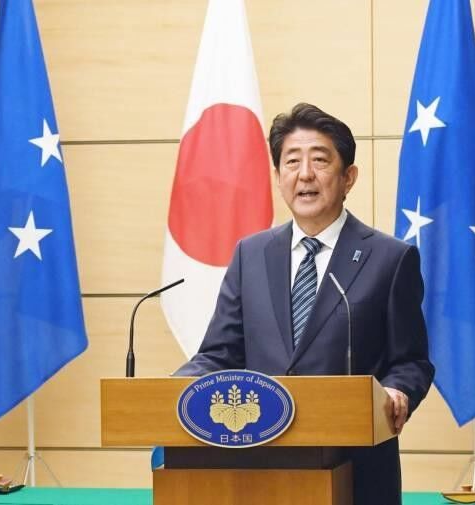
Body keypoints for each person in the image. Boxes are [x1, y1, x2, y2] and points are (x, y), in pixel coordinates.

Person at [175, 103, 434, 505]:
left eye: (319, 160)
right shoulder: (251, 254)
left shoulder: (390, 258)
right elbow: (219, 353)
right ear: (278, 178)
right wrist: (176, 388)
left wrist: (399, 390)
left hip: (357, 472)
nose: (305, 174)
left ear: (348, 177)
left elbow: (412, 361)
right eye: (291, 162)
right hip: (259, 469)